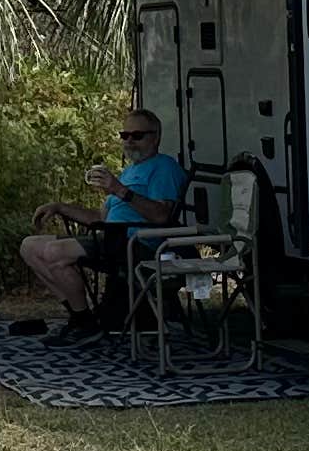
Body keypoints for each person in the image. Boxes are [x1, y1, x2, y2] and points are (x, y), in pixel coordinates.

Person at [22, 110, 189, 336]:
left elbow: (161, 216)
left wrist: (119, 190)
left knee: (54, 252)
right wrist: (60, 207)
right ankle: (80, 316)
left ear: (156, 137)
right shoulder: (129, 171)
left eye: (137, 135)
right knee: (29, 247)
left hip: (137, 243)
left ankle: (85, 323)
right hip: (111, 237)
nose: (129, 141)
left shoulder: (164, 167)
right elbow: (99, 217)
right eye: (125, 135)